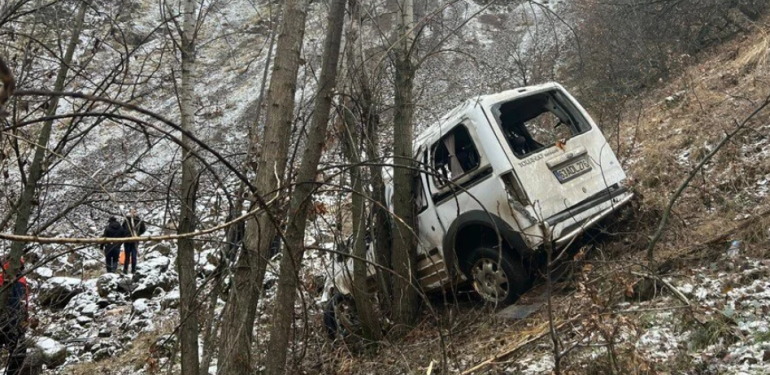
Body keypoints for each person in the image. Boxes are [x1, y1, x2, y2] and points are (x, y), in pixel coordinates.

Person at [0, 259, 28, 375]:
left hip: (14, 322)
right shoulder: (16, 280)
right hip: (8, 321)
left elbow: (24, 303)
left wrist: (25, 321)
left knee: (19, 352)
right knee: (19, 352)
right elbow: (21, 304)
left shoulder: (21, 280)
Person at [121, 208, 146, 274]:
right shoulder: (127, 220)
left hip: (135, 240)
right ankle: (125, 270)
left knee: (134, 256)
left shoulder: (139, 220)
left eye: (135, 212)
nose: (133, 213)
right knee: (127, 256)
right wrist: (125, 235)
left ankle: (133, 270)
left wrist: (137, 234)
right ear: (130, 212)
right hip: (127, 241)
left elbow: (143, 229)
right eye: (132, 211)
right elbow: (122, 229)